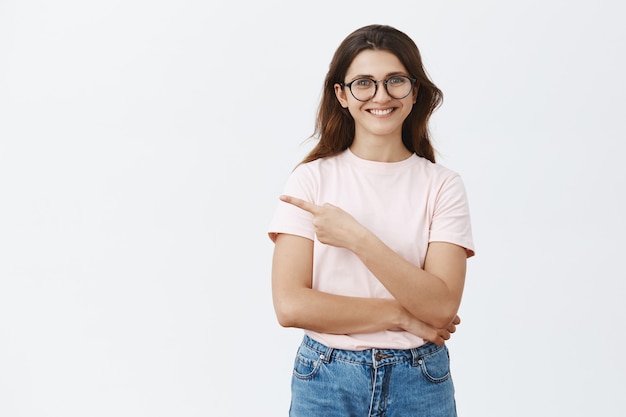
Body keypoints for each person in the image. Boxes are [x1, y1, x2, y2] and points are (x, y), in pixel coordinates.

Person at [267, 24, 475, 417]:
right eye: (364, 83)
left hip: (420, 380)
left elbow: (441, 307)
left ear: (415, 92)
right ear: (341, 95)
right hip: (326, 378)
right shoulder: (311, 179)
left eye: (395, 81)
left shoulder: (442, 186)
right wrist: (398, 314)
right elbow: (290, 305)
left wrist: (357, 238)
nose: (381, 96)